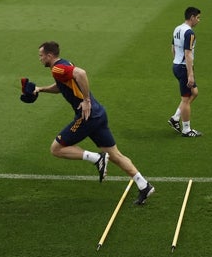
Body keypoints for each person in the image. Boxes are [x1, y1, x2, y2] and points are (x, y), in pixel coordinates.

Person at [26, 41, 154, 204]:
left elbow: (81, 73)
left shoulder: (58, 68)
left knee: (56, 149)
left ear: (49, 56)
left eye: (41, 55)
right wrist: (41, 89)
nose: (40, 59)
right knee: (115, 155)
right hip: (98, 114)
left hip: (87, 116)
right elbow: (62, 86)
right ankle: (144, 185)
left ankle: (96, 158)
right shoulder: (64, 64)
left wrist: (86, 100)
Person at [169, 6, 202, 137]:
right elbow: (188, 54)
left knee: (194, 92)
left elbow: (173, 48)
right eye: (198, 18)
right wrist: (190, 74)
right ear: (192, 17)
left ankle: (175, 118)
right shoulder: (190, 33)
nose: (199, 21)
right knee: (185, 99)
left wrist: (177, 61)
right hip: (183, 67)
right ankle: (186, 129)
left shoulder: (177, 28)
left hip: (176, 65)